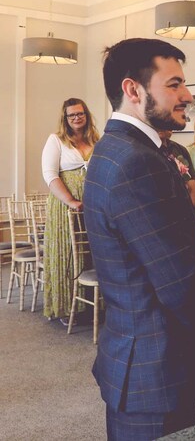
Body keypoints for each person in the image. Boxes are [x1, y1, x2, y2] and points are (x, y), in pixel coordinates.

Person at [83, 38, 195, 440]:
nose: (187, 95)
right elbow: (175, 276)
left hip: (143, 352)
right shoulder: (137, 160)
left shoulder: (121, 148)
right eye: (174, 85)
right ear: (133, 90)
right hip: (154, 364)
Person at [41, 98, 100, 323]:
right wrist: (71, 201)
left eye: (80, 113)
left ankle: (93, 306)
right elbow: (50, 175)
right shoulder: (56, 140)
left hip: (93, 207)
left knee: (92, 254)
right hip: (65, 206)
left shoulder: (96, 140)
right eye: (71, 115)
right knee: (69, 254)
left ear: (87, 115)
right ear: (65, 118)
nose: (76, 118)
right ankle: (68, 308)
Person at [158, 129, 195, 209]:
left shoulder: (179, 149)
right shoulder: (146, 150)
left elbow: (192, 184)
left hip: (187, 210)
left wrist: (192, 213)